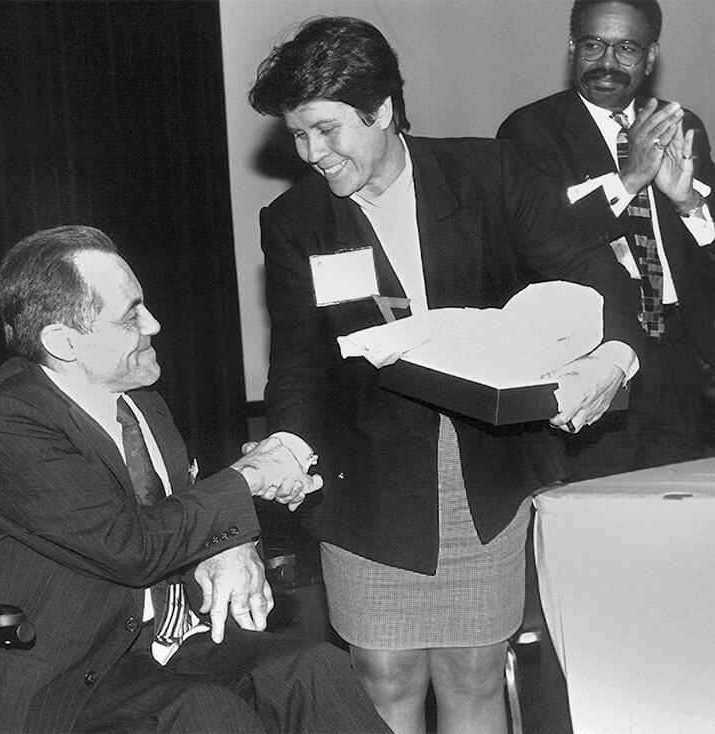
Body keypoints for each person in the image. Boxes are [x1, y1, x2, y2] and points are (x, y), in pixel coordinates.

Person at [248, 16, 646, 734]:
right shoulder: (294, 221)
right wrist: (286, 444)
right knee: (384, 676)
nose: (312, 153)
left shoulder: (489, 174)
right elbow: (300, 365)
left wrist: (608, 363)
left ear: (383, 111)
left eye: (327, 130)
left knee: (472, 672)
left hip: (482, 473)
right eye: (298, 135)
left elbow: (599, 276)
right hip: (364, 480)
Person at [0, 225, 391, 733]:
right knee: (205, 715)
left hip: (164, 645)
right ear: (63, 341)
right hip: (63, 671)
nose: (154, 324)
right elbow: (129, 545)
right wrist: (250, 477)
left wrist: (230, 547)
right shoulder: (0, 420)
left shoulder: (142, 399)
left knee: (312, 670)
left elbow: (182, 508)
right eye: (131, 315)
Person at [498, 0, 715, 480]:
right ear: (573, 48)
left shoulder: (681, 125)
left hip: (680, 353)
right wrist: (629, 179)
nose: (608, 63)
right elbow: (541, 243)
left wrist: (687, 205)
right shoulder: (529, 131)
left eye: (627, 48)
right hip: (593, 347)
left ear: (651, 56)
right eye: (594, 44)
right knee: (598, 508)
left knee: (674, 512)